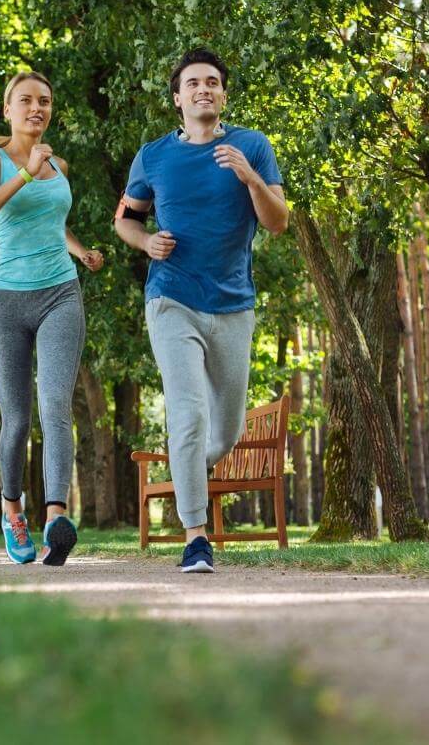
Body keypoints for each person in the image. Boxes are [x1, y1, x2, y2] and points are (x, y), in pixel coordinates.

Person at [113, 48, 287, 573]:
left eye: (212, 82)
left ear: (223, 94)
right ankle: (196, 537)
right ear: (178, 98)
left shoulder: (252, 146)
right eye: (193, 83)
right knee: (187, 413)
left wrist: (250, 179)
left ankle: (184, 464)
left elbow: (277, 222)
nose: (203, 89)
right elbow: (125, 219)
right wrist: (145, 244)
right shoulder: (154, 156)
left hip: (233, 304)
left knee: (225, 431)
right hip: (171, 297)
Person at [0, 71, 103, 566]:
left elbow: (52, 220)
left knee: (56, 404)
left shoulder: (58, 162)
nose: (37, 107)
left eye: (45, 101)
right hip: (5, 300)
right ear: (8, 110)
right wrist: (26, 172)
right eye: (26, 100)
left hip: (60, 295)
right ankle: (14, 513)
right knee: (17, 416)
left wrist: (80, 252)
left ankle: (55, 517)